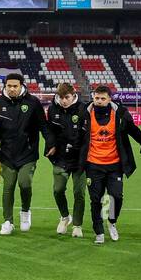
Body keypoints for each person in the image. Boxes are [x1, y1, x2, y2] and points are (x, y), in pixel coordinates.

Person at [76, 84, 141, 244]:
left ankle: (111, 221)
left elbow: (134, 131)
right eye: (96, 98)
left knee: (115, 197)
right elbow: (76, 136)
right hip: (93, 165)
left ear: (110, 99)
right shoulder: (84, 113)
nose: (99, 101)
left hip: (115, 165)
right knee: (95, 200)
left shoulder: (120, 114)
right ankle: (99, 232)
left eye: (103, 98)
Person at [0, 72, 54, 236]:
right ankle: (7, 221)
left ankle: (25, 211)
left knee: (25, 183)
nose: (12, 89)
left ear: (22, 86)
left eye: (15, 86)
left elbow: (43, 126)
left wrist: (50, 143)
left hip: (28, 153)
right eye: (9, 86)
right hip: (7, 154)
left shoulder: (33, 102)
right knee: (8, 188)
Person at [46, 83, 87, 237]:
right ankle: (65, 217)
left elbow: (86, 135)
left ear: (73, 94)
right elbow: (49, 130)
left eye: (67, 97)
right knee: (58, 190)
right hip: (60, 157)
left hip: (79, 159)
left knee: (79, 193)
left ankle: (77, 225)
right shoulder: (52, 109)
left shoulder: (83, 109)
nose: (64, 101)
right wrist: (51, 145)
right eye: (61, 97)